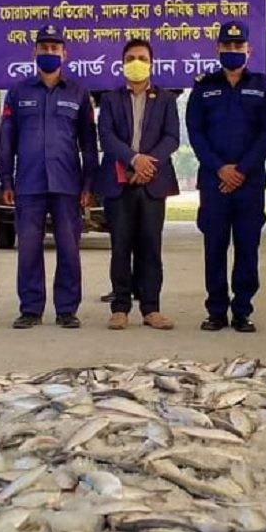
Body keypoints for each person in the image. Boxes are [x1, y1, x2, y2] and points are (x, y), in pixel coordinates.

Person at [0, 24, 99, 329]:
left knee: (69, 248)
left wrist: (89, 183)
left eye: (55, 48)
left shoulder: (79, 93)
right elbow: (7, 140)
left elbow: (89, 143)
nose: (50, 53)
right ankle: (31, 308)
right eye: (45, 48)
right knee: (28, 247)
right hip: (28, 183)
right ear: (34, 52)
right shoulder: (17, 92)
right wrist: (6, 179)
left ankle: (67, 309)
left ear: (65, 53)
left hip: (67, 183)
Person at [186, 19, 266, 333]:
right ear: (218, 49)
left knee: (247, 247)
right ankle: (216, 311)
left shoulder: (262, 86)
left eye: (238, 46)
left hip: (250, 182)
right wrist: (220, 168)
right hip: (213, 182)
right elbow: (195, 133)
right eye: (227, 46)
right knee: (214, 247)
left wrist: (241, 170)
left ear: (248, 49)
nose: (233, 50)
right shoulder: (204, 86)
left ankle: (242, 311)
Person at [95, 38, 181, 331]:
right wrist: (133, 159)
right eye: (131, 57)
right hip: (119, 181)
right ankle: (120, 308)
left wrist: (146, 163)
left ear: (151, 63)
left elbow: (172, 138)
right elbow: (105, 136)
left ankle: (151, 308)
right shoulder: (109, 99)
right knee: (120, 246)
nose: (137, 63)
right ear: (122, 63)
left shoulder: (167, 99)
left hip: (153, 182)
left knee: (150, 246)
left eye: (142, 58)